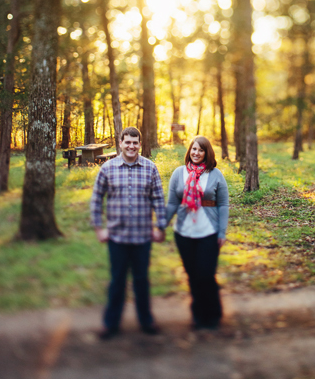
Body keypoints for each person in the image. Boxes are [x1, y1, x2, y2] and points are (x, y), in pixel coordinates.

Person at [90, 126, 167, 340]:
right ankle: (111, 323)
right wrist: (99, 228)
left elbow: (158, 199)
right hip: (117, 237)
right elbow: (97, 199)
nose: (131, 146)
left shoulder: (150, 168)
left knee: (142, 280)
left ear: (140, 145)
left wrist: (160, 227)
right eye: (128, 142)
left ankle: (146, 320)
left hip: (143, 237)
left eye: (135, 142)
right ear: (121, 143)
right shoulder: (108, 168)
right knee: (117, 281)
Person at [165, 135, 229, 330]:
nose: (196, 153)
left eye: (200, 150)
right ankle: (198, 315)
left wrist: (221, 232)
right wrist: (160, 226)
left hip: (208, 232)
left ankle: (214, 313)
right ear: (189, 151)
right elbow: (172, 203)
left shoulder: (216, 174)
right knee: (192, 275)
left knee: (206, 274)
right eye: (193, 149)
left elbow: (223, 204)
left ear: (206, 153)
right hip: (184, 233)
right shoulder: (178, 173)